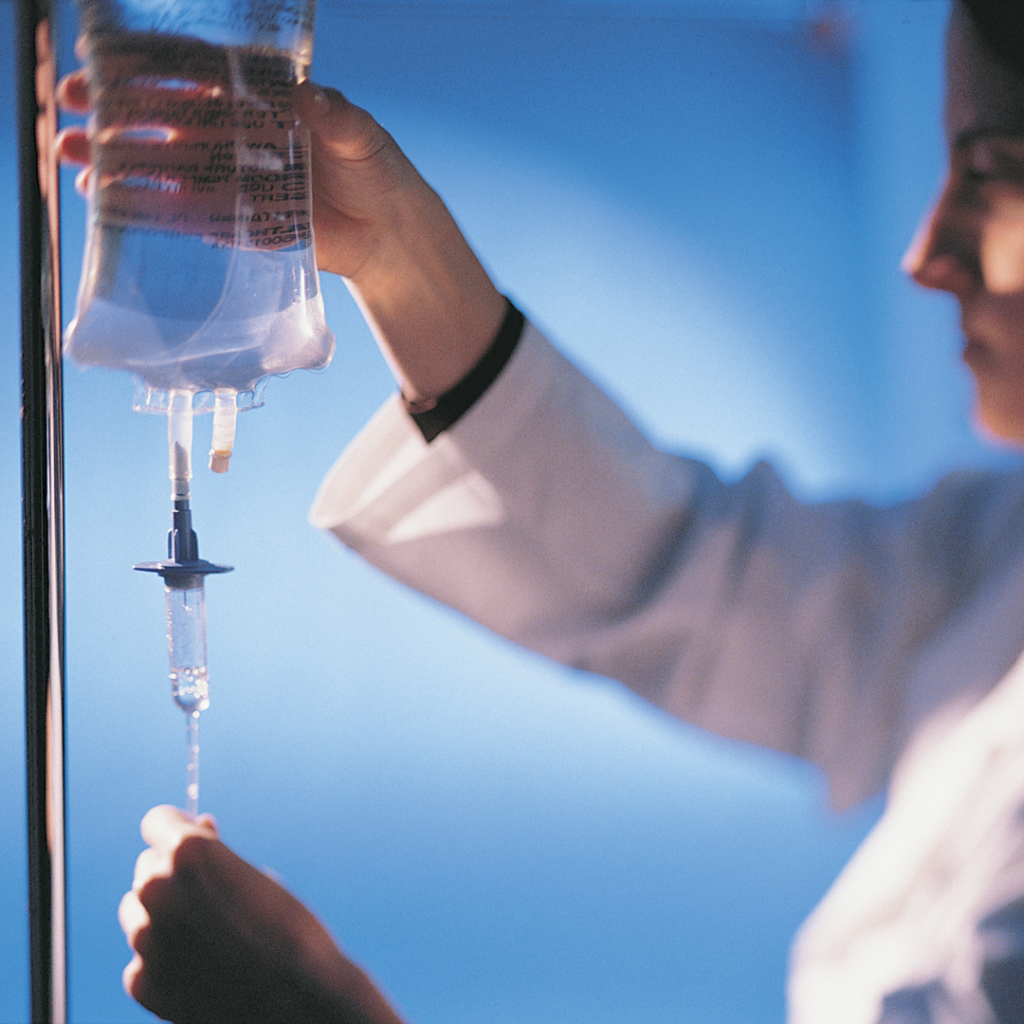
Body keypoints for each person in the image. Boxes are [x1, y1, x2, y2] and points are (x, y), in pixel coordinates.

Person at [56, 0, 1024, 1021]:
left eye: (996, 168)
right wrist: (394, 247)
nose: (926, 254)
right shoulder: (994, 561)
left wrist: (317, 1008)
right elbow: (698, 573)